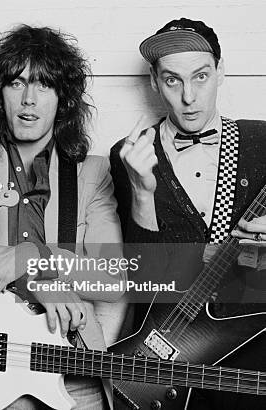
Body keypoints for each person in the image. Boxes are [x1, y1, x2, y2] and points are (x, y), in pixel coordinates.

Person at [0, 24, 128, 410]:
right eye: (17, 83)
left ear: (63, 97)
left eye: (44, 85)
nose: (29, 100)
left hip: (72, 363)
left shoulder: (92, 171)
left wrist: (31, 257)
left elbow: (112, 277)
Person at [110, 17, 266, 409]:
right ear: (153, 82)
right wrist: (143, 194)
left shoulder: (261, 141)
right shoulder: (130, 154)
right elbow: (143, 279)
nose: (189, 97)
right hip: (175, 353)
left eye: (201, 77)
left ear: (221, 71)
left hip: (251, 349)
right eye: (172, 80)